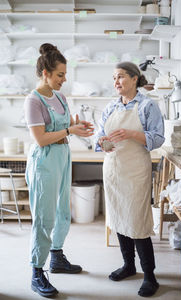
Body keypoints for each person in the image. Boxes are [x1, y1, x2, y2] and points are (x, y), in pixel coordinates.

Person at [24, 43, 94, 298]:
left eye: (65, 74)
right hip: (45, 160)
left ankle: (56, 257)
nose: (64, 80)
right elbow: (41, 139)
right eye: (60, 75)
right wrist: (69, 131)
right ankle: (36, 271)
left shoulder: (60, 97)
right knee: (44, 217)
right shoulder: (33, 100)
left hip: (64, 155)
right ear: (45, 73)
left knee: (64, 211)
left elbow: (65, 127)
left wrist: (77, 126)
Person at [94, 62, 165, 298]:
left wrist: (132, 134)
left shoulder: (148, 105)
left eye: (121, 77)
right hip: (113, 168)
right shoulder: (111, 106)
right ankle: (128, 265)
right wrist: (102, 143)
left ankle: (150, 275)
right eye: (114, 78)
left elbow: (157, 139)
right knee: (118, 216)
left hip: (135, 170)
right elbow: (98, 135)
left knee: (137, 221)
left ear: (135, 79)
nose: (116, 82)